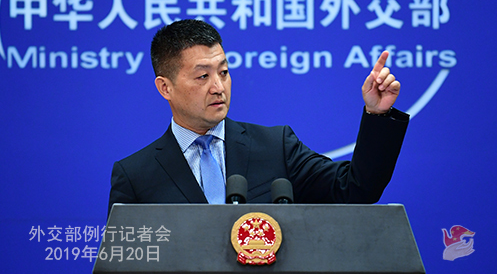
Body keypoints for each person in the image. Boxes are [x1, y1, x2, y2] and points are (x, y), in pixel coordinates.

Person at [108, 19, 409, 216]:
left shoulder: (275, 147)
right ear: (165, 87)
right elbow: (126, 260)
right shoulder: (136, 176)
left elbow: (356, 189)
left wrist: (377, 114)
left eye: (224, 72)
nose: (218, 87)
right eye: (202, 76)